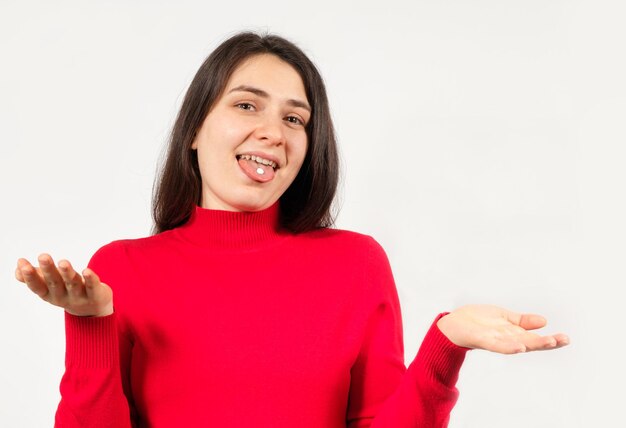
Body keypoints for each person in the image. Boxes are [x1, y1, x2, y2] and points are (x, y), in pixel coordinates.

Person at [15, 32, 569, 428]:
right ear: (194, 129)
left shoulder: (355, 264)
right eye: (247, 104)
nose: (272, 132)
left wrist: (444, 346)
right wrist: (89, 323)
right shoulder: (121, 271)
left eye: (294, 118)